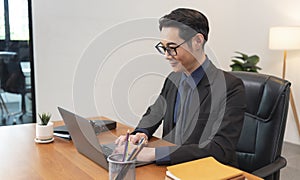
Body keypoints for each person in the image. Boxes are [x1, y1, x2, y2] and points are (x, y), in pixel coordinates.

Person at [115, 8, 246, 167]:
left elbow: (220, 149)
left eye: (172, 47)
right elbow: (156, 111)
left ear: (198, 41)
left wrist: (153, 153)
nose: (166, 55)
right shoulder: (174, 78)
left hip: (206, 170)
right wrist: (141, 132)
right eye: (163, 48)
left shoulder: (230, 87)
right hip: (171, 167)